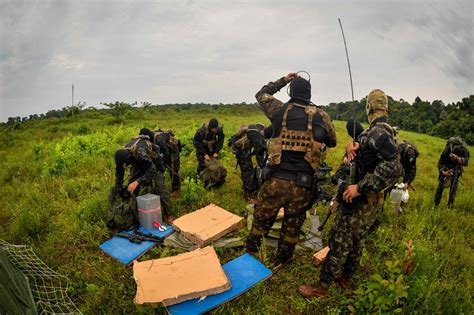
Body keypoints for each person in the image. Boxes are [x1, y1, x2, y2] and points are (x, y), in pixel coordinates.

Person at [299, 89, 402, 297]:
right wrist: (353, 148)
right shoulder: (383, 132)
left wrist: (359, 187)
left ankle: (323, 287)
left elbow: (395, 167)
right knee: (356, 241)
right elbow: (370, 159)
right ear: (386, 108)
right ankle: (346, 276)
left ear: (368, 108)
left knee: (339, 241)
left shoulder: (378, 133)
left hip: (360, 202)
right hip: (371, 203)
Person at [246, 72, 337, 264]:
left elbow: (261, 94)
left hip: (275, 181)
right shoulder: (322, 116)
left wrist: (282, 80)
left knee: (262, 218)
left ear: (291, 91)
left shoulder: (279, 109)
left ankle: (251, 252)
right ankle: (282, 260)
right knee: (292, 226)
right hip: (303, 185)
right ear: (309, 93)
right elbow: (333, 141)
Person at [114, 135, 173, 224]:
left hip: (154, 164)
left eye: (125, 165)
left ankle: (169, 214)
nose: (124, 167)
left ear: (129, 159)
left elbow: (152, 170)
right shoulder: (122, 157)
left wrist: (138, 181)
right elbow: (119, 174)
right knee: (130, 186)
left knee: (160, 188)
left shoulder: (139, 153)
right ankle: (135, 212)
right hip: (139, 163)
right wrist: (118, 190)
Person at [228, 123, 267, 202]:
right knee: (248, 171)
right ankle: (247, 195)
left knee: (248, 170)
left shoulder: (257, 129)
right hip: (240, 150)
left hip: (243, 149)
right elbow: (259, 152)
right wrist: (264, 167)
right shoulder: (257, 134)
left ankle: (248, 188)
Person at [140, 128, 183, 196]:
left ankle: (176, 189)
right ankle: (160, 188)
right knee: (160, 168)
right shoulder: (150, 138)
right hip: (165, 150)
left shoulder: (158, 139)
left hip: (173, 150)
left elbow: (166, 153)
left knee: (173, 169)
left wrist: (163, 162)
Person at [434, 136, 469, 207]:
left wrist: (458, 159)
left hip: (456, 170)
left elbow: (466, 162)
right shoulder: (447, 150)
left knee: (453, 190)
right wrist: (443, 171)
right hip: (446, 168)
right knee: (440, 188)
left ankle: (450, 206)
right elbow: (440, 162)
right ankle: (435, 205)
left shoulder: (463, 150)